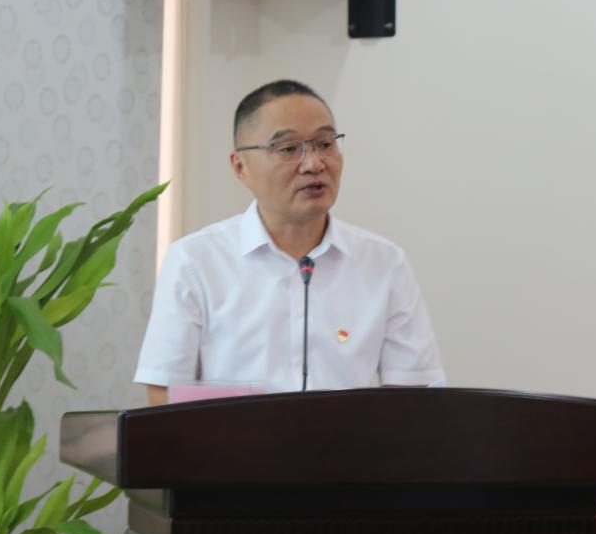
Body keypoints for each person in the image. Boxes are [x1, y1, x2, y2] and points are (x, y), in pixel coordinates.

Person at [134, 80, 445, 404]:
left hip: (348, 439)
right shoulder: (195, 261)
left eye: (325, 144)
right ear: (240, 166)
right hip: (235, 439)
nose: (314, 164)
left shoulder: (384, 263)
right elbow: (164, 391)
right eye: (288, 149)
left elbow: (413, 392)